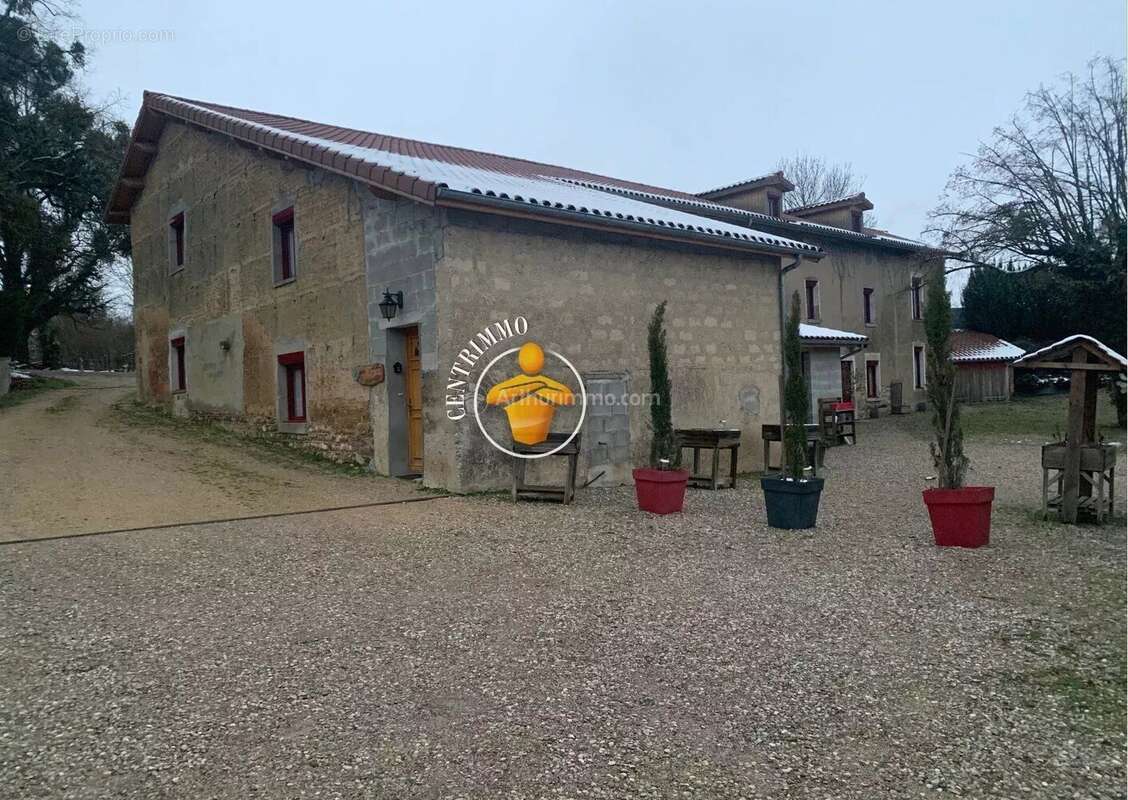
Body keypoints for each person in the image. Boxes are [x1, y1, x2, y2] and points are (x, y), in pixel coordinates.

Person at [485, 342, 574, 445]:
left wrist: (537, 387)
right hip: (519, 437)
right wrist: (537, 385)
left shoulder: (546, 383)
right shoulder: (543, 383)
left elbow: (569, 398)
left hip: (539, 436)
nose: (532, 361)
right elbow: (491, 398)